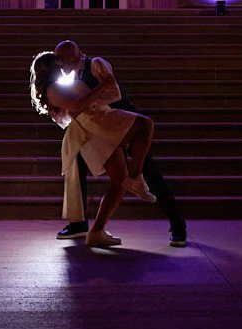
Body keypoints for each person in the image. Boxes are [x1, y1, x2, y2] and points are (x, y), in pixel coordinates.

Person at [53, 39, 188, 247]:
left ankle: (177, 225)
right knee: (76, 163)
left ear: (74, 55)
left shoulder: (96, 63)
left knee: (150, 172)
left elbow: (115, 93)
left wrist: (90, 102)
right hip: (100, 128)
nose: (59, 64)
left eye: (61, 59)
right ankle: (79, 223)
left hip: (122, 121)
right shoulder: (72, 76)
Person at [29, 50, 156, 248]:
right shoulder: (53, 89)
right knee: (145, 125)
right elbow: (77, 104)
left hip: (95, 127)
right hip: (95, 125)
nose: (62, 65)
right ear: (50, 67)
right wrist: (102, 87)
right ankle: (136, 176)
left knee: (118, 182)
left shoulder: (59, 85)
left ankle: (97, 231)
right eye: (58, 62)